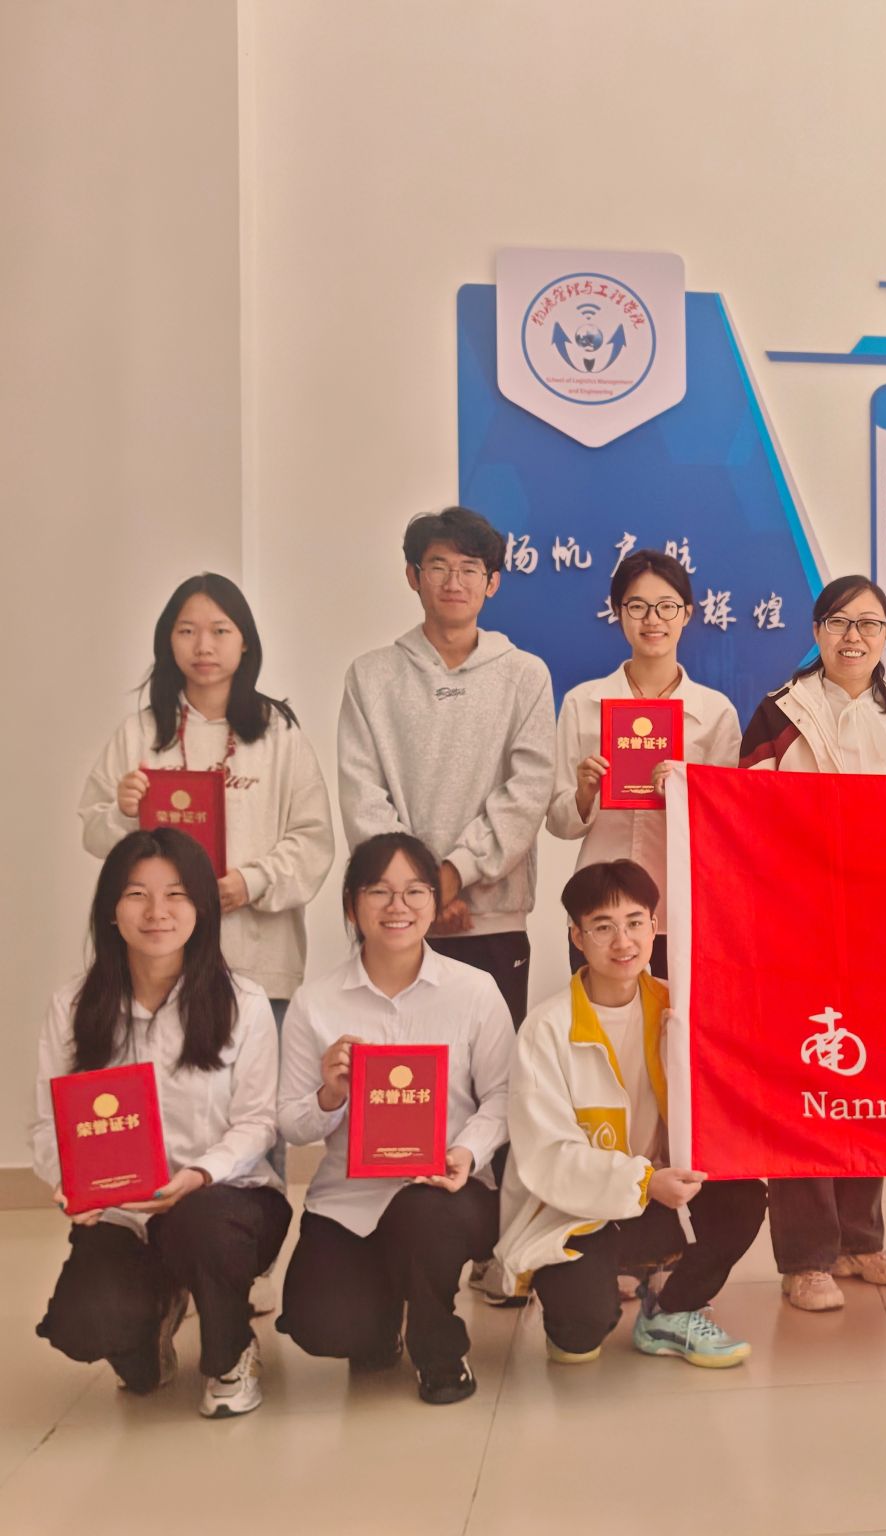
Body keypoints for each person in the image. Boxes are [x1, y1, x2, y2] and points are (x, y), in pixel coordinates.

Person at [32, 830, 287, 1418]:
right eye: (136, 894)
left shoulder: (243, 1003)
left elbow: (257, 1123)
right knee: (83, 1324)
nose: (156, 912)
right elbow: (49, 1126)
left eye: (176, 894)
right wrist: (69, 1183)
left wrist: (199, 1174)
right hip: (123, 1213)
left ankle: (231, 1354)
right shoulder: (73, 1007)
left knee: (200, 1224)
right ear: (110, 909)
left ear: (201, 908)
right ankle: (154, 1319)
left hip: (225, 1205)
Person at [740, 575, 886, 1311]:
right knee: (805, 1082)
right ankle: (806, 1258)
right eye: (838, 623)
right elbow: (747, 814)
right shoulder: (780, 713)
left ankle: (861, 1238)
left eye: (869, 624)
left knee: (871, 1079)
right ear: (817, 632)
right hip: (800, 924)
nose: (854, 637)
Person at [274, 832, 516, 1405]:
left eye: (414, 891)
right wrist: (330, 1095)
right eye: (378, 891)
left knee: (422, 1216)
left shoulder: (474, 991)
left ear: (436, 901)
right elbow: (290, 1123)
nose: (397, 906)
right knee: (323, 1327)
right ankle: (382, 1321)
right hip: (350, 1198)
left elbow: (505, 1096)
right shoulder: (316, 1001)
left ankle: (439, 1347)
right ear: (351, 906)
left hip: (446, 1192)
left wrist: (465, 1153)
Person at [496, 860, 765, 1364]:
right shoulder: (547, 1028)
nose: (623, 942)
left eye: (635, 923)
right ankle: (586, 1289)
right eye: (603, 927)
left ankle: (671, 1311)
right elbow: (548, 1154)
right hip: (575, 1211)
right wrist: (643, 1182)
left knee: (742, 1197)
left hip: (659, 1196)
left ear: (654, 927)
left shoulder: (677, 1009)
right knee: (578, 1339)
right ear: (577, 937)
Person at [80, 573, 335, 1024]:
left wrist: (251, 882)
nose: (203, 646)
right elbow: (95, 833)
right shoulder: (139, 733)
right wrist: (123, 812)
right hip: (155, 969)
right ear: (168, 640)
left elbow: (313, 841)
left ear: (245, 642)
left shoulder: (280, 735)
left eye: (220, 631)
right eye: (187, 631)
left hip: (258, 963)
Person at [337, 506, 554, 1021]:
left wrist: (454, 873)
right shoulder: (370, 675)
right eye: (438, 566)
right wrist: (417, 892)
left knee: (492, 1068)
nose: (454, 582)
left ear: (492, 582)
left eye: (470, 569)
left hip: (492, 921)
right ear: (413, 576)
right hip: (395, 920)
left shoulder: (526, 675)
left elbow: (528, 791)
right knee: (395, 1064)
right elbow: (363, 794)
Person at [548, 547, 740, 978]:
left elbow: (727, 826)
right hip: (599, 910)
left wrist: (686, 791)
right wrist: (584, 794)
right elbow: (559, 823)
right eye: (637, 606)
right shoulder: (583, 703)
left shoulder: (715, 713)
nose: (653, 620)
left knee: (675, 1019)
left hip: (681, 907)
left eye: (666, 606)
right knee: (603, 1017)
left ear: (687, 614)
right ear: (618, 612)